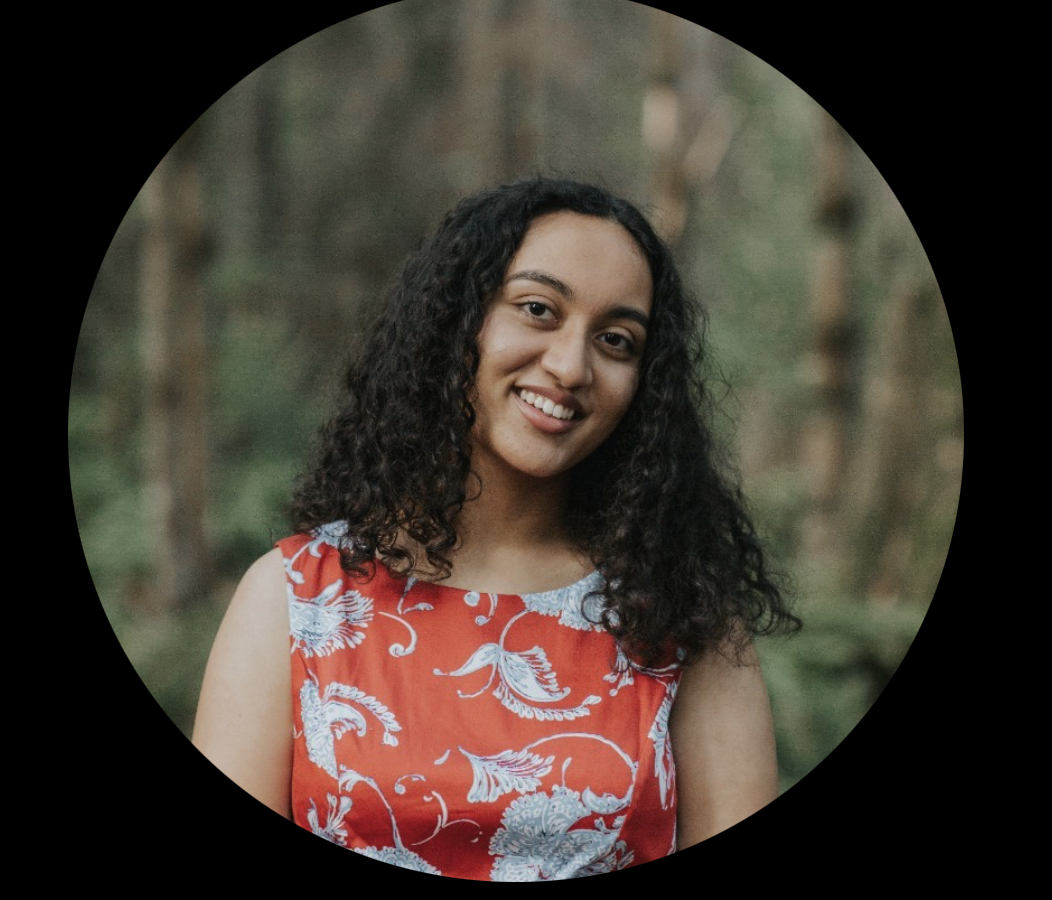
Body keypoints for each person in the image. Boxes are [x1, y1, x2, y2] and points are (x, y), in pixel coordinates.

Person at [193, 177, 798, 878]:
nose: (572, 366)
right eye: (538, 309)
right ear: (458, 319)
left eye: (616, 340)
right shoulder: (297, 598)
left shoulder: (684, 617)